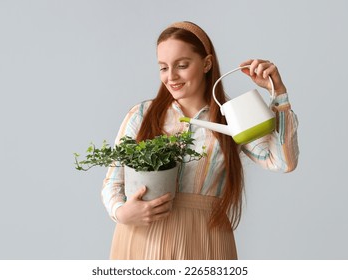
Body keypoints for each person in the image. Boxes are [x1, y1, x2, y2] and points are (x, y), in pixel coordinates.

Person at [102, 21, 299, 260]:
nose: (171, 76)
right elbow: (113, 183)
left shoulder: (232, 119)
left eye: (182, 65)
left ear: (206, 63)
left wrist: (278, 94)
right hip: (142, 239)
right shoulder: (142, 115)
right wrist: (121, 213)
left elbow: (282, 162)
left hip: (206, 239)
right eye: (163, 67)